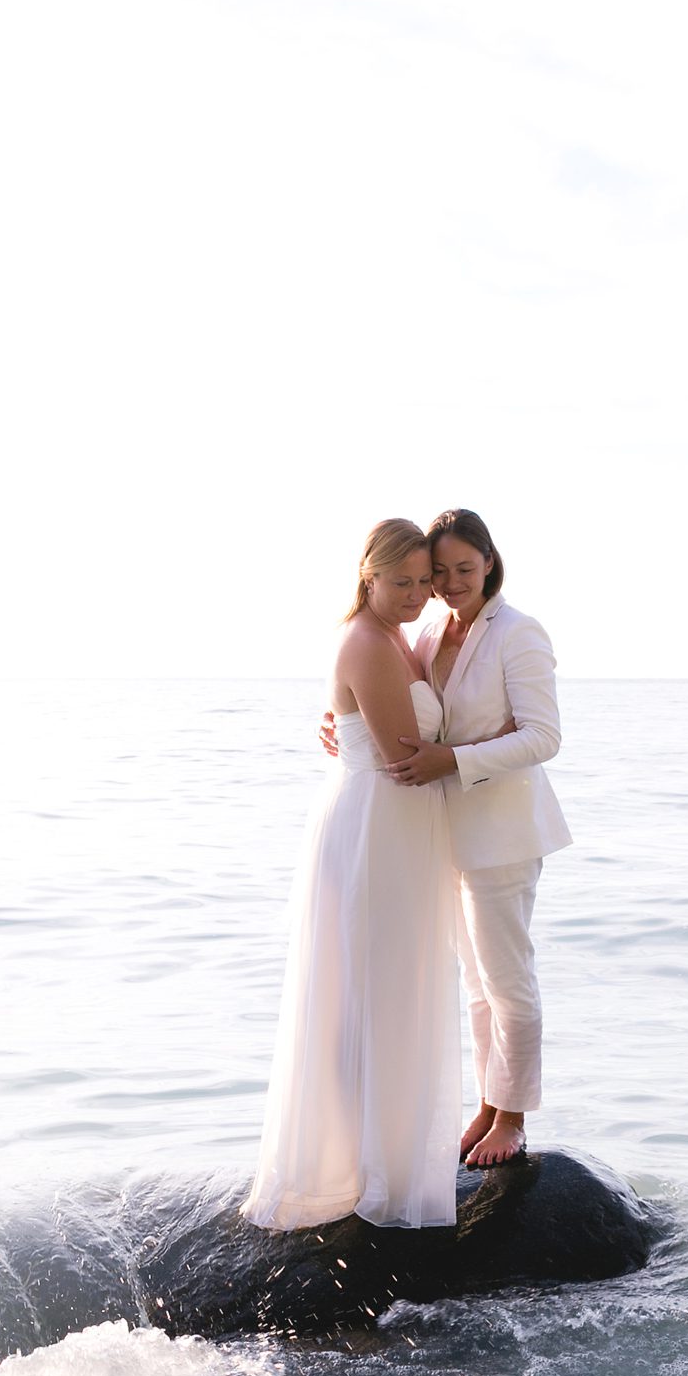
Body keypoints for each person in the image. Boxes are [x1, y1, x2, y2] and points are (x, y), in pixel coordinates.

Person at [323, 508, 570, 1168]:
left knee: (508, 977)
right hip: (442, 830)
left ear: (490, 561)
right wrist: (344, 727)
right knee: (477, 983)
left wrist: (454, 760)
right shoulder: (431, 629)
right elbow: (401, 711)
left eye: (465, 567)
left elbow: (543, 736)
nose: (451, 581)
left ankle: (513, 1118)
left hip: (502, 827)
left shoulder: (518, 632)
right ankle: (489, 1104)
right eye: (439, 572)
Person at [240, 519, 463, 1230]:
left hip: (400, 824)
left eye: (425, 581)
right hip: (374, 826)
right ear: (367, 577)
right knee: (364, 992)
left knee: (394, 988)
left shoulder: (404, 636)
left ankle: (391, 1154)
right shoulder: (367, 641)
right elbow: (407, 749)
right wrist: (496, 744)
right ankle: (359, 1166)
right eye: (401, 582)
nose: (417, 594)